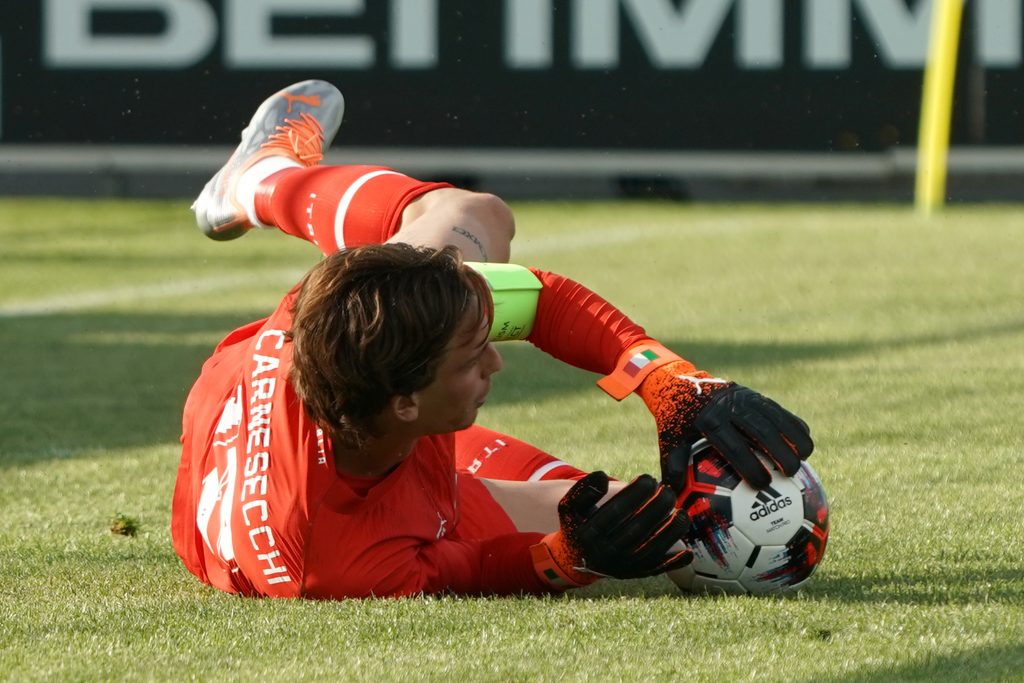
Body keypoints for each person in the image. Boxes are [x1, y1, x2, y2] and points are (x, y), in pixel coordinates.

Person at [171, 80, 813, 599]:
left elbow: (539, 299)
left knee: (473, 217)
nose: (499, 361)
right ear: (406, 403)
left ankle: (259, 178)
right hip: (350, 505)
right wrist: (569, 558)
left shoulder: (318, 317)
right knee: (649, 524)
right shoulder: (344, 565)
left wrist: (667, 382)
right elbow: (474, 569)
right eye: (474, 357)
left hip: (349, 436)